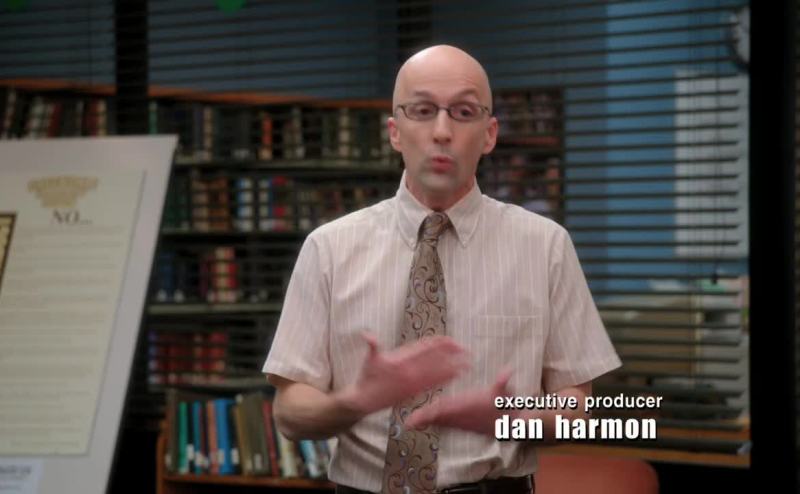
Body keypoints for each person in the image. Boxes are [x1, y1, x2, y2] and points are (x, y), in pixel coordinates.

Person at [263, 44, 621, 494]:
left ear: (489, 134)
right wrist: (352, 402)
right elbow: (289, 411)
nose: (441, 131)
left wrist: (511, 420)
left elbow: (577, 409)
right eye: (422, 110)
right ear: (395, 131)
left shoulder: (545, 246)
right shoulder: (329, 248)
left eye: (464, 112)